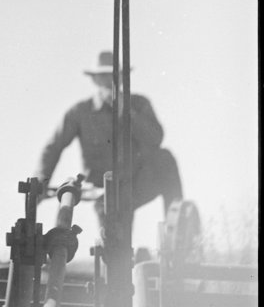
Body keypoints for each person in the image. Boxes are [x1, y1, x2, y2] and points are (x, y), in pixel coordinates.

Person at [36, 50, 183, 229]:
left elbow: (156, 139)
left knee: (165, 159)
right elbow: (53, 147)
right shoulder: (79, 112)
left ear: (122, 78)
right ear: (94, 80)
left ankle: (177, 237)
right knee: (116, 249)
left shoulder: (140, 104)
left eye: (114, 76)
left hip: (136, 183)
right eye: (104, 77)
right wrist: (40, 183)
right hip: (104, 192)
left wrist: (128, 113)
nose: (110, 82)